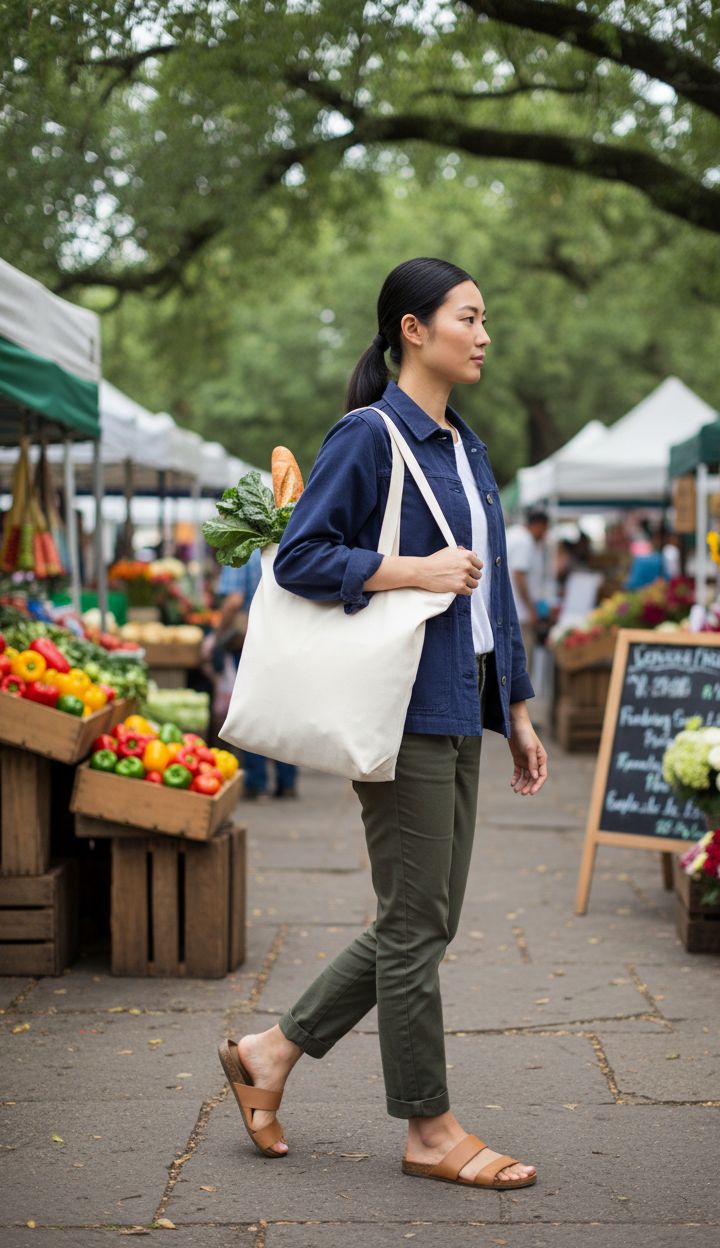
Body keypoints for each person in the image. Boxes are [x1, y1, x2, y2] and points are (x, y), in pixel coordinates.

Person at [218, 257, 546, 1191]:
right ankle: (429, 1129)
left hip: (459, 702)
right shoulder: (368, 436)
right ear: (413, 327)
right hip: (397, 709)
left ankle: (271, 1052)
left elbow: (499, 596)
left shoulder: (466, 448)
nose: (483, 335)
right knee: (414, 925)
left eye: (486, 320)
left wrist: (516, 710)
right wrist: (413, 569)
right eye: (469, 317)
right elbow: (302, 559)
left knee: (424, 920)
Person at [213, 551, 298, 800]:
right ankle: (287, 780)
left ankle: (257, 781)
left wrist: (218, 634)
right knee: (283, 710)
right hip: (285, 639)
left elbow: (234, 600)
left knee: (253, 710)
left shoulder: (243, 552)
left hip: (251, 641)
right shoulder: (287, 544)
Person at [505, 507, 551, 669]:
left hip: (511, 610)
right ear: (538, 525)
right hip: (520, 613)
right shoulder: (523, 541)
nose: (544, 534)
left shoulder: (514, 534)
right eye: (545, 529)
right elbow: (519, 576)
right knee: (522, 663)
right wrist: (531, 609)